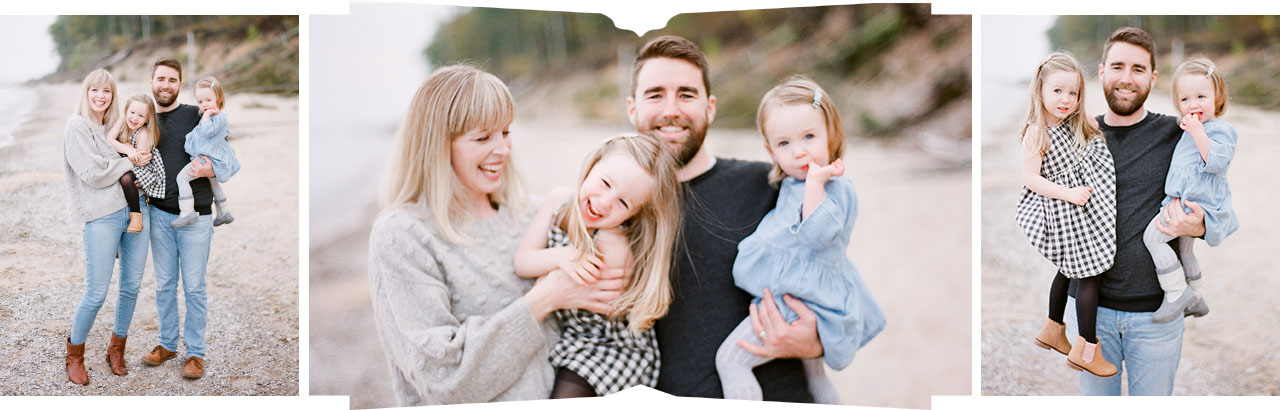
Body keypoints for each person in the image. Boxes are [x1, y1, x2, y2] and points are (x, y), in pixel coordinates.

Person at [368, 64, 624, 406]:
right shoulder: (402, 236)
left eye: (506, 132)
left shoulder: (534, 213)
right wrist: (545, 298)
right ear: (437, 145)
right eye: (483, 137)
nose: (503, 149)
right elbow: (443, 380)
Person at [625, 35, 824, 402]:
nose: (671, 109)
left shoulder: (770, 185)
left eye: (686, 94)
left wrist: (817, 341)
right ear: (632, 108)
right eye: (655, 95)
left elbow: (833, 280)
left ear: (710, 107)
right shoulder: (613, 206)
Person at [716, 76, 885, 403]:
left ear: (831, 134)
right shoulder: (793, 184)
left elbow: (816, 234)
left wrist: (814, 186)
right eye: (784, 144)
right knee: (814, 375)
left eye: (809, 136)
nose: (799, 152)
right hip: (798, 290)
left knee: (730, 362)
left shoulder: (835, 186)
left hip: (801, 297)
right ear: (770, 150)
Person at [1062, 26, 1208, 396]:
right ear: (1101, 71)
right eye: (1118, 67)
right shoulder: (1079, 135)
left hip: (1157, 317)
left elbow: (1218, 201)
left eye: (1138, 69)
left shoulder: (1176, 134)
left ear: (1153, 77)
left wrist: (1200, 225)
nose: (1127, 78)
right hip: (1090, 315)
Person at [513, 133, 681, 398]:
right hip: (572, 339)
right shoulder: (558, 201)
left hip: (606, 348)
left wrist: (553, 270)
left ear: (634, 214)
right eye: (605, 183)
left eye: (623, 203)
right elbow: (523, 262)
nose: (604, 203)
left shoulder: (613, 244)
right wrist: (561, 256)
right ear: (592, 164)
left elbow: (566, 289)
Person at [1015, 52, 1118, 377]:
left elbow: (1092, 133)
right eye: (1058, 91)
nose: (1066, 99)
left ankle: (1052, 329)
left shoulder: (1070, 124)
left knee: (1069, 269)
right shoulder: (1037, 131)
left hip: (1077, 213)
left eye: (1073, 93)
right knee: (1090, 275)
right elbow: (1031, 178)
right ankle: (1087, 349)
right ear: (1040, 91)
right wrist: (1069, 193)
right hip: (1064, 212)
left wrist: (1086, 120)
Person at [61, 69, 151, 384]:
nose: (101, 96)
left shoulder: (115, 127)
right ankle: (74, 354)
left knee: (131, 287)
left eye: (107, 91)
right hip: (102, 216)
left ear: (114, 96)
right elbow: (93, 173)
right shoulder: (77, 127)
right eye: (95, 90)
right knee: (97, 291)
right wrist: (130, 161)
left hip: (138, 211)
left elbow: (144, 153)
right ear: (86, 92)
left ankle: (116, 349)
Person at [139, 57, 219, 379]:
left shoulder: (195, 115)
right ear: (151, 82)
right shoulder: (144, 120)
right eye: (161, 79)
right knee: (164, 285)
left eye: (173, 80)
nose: (166, 85)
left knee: (195, 287)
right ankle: (168, 343)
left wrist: (208, 169)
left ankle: (196, 353)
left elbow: (225, 159)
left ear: (180, 85)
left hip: (197, 216)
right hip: (159, 215)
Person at [1144, 57, 1238, 323]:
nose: (1193, 104)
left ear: (1218, 96)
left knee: (1152, 239)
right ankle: (1196, 297)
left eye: (1201, 96)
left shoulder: (1220, 129)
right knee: (1185, 251)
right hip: (1185, 198)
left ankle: (1176, 293)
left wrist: (1197, 131)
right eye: (1185, 99)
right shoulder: (1188, 127)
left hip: (1193, 202)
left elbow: (1217, 161)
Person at [171, 77, 239, 228]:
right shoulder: (216, 117)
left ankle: (187, 212)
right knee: (213, 184)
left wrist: (206, 117)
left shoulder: (218, 118)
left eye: (208, 100)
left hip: (206, 158)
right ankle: (224, 213)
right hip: (211, 157)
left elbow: (206, 132)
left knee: (182, 179)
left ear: (219, 98)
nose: (204, 105)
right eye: (200, 102)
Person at [103, 93, 167, 214]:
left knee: (126, 179)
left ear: (147, 119)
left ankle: (136, 214)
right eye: (132, 112)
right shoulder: (122, 120)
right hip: (129, 160)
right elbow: (110, 139)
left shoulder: (143, 133)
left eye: (141, 115)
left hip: (143, 167)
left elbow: (140, 161)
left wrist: (126, 148)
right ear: (126, 111)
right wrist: (128, 149)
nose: (134, 118)